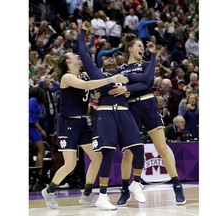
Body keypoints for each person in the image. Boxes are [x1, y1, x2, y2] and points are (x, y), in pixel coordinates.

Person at [41, 51, 128, 209]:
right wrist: (111, 78)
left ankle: (87, 193)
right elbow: (86, 86)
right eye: (73, 55)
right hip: (67, 123)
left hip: (83, 122)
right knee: (70, 164)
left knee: (97, 157)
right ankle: (49, 190)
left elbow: (90, 88)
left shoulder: (84, 75)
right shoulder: (67, 77)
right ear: (68, 61)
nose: (77, 56)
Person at [109, 33, 186, 206]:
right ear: (130, 49)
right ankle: (124, 189)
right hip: (131, 108)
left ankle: (177, 186)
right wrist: (135, 82)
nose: (142, 48)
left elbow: (147, 81)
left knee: (161, 147)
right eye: (139, 46)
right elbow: (141, 82)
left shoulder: (146, 63)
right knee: (128, 152)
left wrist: (128, 85)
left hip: (149, 105)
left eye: (143, 47)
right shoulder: (120, 69)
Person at [78, 21, 148, 210]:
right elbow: (83, 53)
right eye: (106, 59)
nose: (111, 59)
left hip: (125, 114)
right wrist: (83, 32)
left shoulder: (124, 74)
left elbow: (145, 83)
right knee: (107, 153)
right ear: (101, 62)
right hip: (105, 114)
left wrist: (127, 88)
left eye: (113, 59)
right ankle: (102, 195)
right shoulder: (97, 75)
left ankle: (136, 182)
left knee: (139, 148)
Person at [29, 86, 47, 186]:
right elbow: (31, 118)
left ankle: (37, 175)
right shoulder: (33, 100)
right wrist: (41, 130)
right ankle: (38, 176)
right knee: (41, 150)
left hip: (32, 127)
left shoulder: (33, 100)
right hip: (31, 127)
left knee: (41, 151)